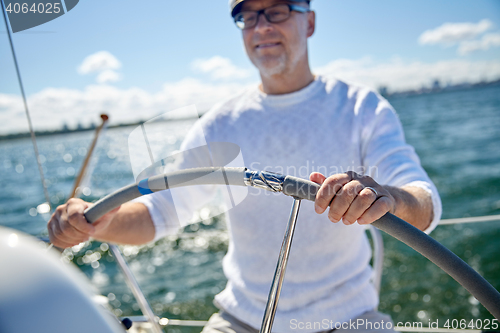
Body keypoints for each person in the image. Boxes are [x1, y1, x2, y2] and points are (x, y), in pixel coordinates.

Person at [48, 0, 442, 332]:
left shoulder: (362, 108)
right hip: (240, 320)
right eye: (248, 15)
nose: (261, 26)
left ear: (310, 21)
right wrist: (99, 222)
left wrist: (387, 197)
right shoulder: (220, 124)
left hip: (350, 319)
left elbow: (423, 203)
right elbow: (161, 213)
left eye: (276, 10)